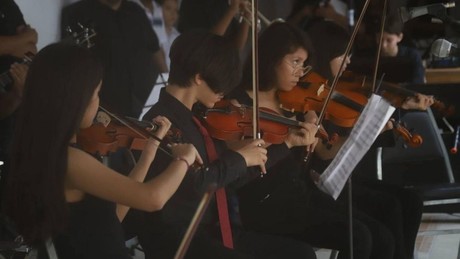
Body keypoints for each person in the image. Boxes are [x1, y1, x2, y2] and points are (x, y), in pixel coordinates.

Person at [122, 30, 318, 259]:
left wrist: (287, 142)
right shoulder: (160, 122)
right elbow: (195, 185)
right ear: (198, 77)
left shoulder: (200, 118)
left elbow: (230, 179)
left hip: (215, 230)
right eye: (221, 81)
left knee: (301, 254)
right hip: (182, 239)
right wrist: (240, 158)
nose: (224, 92)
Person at [2, 42, 202, 259]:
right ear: (76, 101)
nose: (100, 102)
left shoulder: (53, 151)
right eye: (97, 93)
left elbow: (113, 217)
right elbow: (153, 198)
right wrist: (184, 158)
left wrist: (151, 148)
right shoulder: (71, 160)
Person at [230, 21, 396, 259]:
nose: (300, 72)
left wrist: (318, 121)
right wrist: (285, 140)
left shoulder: (294, 103)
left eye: (303, 64)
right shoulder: (239, 105)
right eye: (295, 62)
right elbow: (240, 166)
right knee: (360, 237)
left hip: (299, 195)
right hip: (265, 206)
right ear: (270, 58)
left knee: (380, 236)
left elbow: (324, 151)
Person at [306, 19, 432, 259]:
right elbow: (324, 152)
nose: (349, 62)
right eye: (342, 56)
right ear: (325, 55)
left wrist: (399, 104)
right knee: (389, 209)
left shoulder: (336, 89)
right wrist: (370, 131)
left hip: (345, 178)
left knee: (412, 201)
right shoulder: (309, 100)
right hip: (326, 182)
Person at [61, 0, 168, 118]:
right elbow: (71, 65)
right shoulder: (77, 12)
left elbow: (155, 49)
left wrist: (167, 84)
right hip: (102, 109)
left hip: (142, 106)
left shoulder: (136, 11)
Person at [177, 0, 250, 50]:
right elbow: (209, 42)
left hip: (218, 65)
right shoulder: (194, 3)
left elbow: (236, 48)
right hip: (195, 61)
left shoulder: (225, 3)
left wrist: (247, 15)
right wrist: (232, 10)